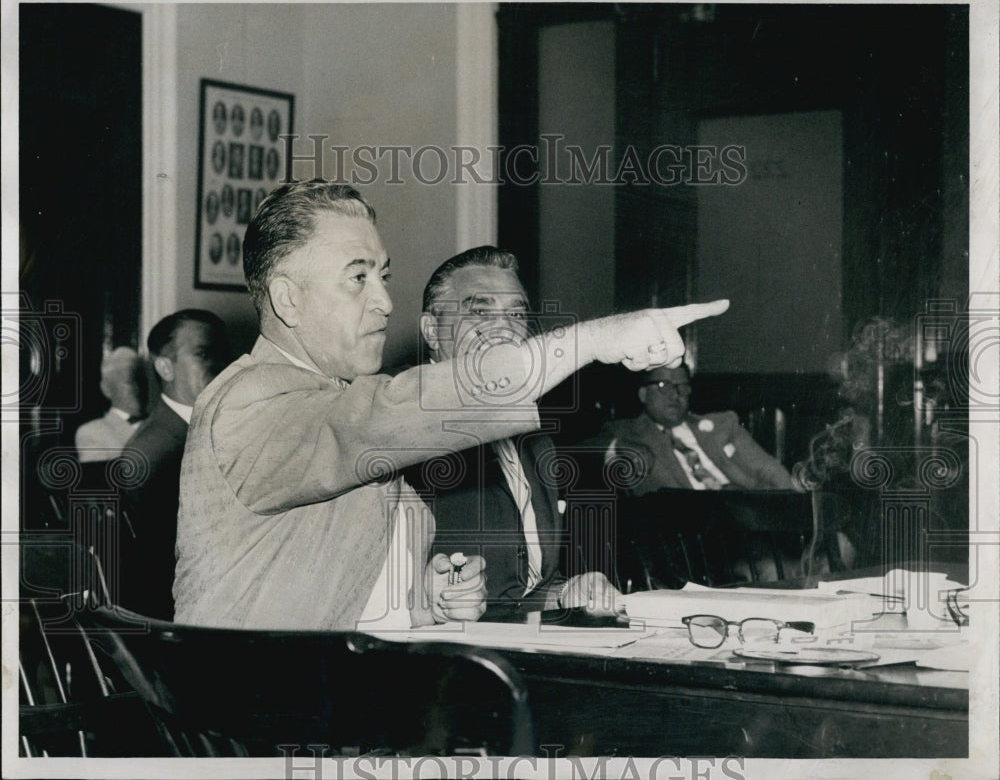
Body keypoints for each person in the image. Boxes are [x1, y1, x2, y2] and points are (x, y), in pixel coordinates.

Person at [172, 179, 727, 631]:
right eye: (357, 278)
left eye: (383, 276)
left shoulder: (331, 398)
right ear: (288, 297)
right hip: (256, 730)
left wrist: (427, 600)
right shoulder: (251, 400)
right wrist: (595, 341)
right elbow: (382, 416)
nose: (385, 301)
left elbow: (334, 586)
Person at [408, 247, 618, 619]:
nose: (504, 329)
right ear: (432, 331)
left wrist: (567, 591)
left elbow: (516, 595)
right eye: (480, 311)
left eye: (516, 313)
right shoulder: (406, 429)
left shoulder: (533, 437)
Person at [119, 309, 231, 619]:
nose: (222, 365)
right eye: (204, 354)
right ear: (166, 367)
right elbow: (157, 572)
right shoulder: (150, 453)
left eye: (225, 354)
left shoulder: (223, 427)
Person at [600, 363, 798, 495]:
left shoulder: (723, 424)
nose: (675, 395)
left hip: (744, 518)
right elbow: (585, 451)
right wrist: (619, 448)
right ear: (643, 394)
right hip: (685, 536)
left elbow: (770, 470)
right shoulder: (625, 433)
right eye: (663, 385)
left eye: (682, 386)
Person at [75, 347, 146, 463]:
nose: (137, 388)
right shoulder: (92, 433)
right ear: (106, 389)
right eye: (129, 381)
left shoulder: (165, 424)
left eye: (141, 380)